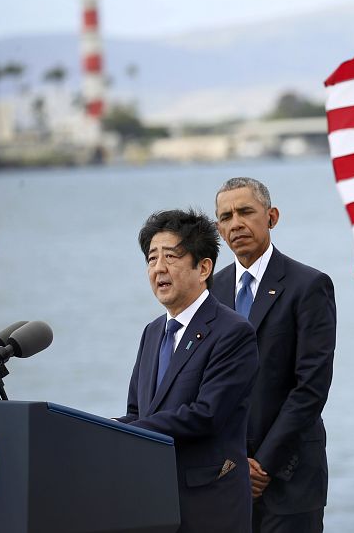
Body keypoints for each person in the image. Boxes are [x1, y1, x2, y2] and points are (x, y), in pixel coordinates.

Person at [117, 208, 259, 533]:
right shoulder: (152, 332)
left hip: (209, 504)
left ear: (203, 267)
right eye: (152, 259)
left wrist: (128, 430)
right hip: (153, 503)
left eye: (171, 257)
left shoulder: (233, 331)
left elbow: (206, 414)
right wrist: (104, 427)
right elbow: (138, 411)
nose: (159, 269)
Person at [212, 177, 336, 533]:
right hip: (228, 477)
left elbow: (311, 387)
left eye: (246, 211)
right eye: (226, 217)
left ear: (272, 217)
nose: (236, 223)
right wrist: (234, 463)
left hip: (291, 477)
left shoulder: (309, 285)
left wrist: (263, 465)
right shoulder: (211, 291)